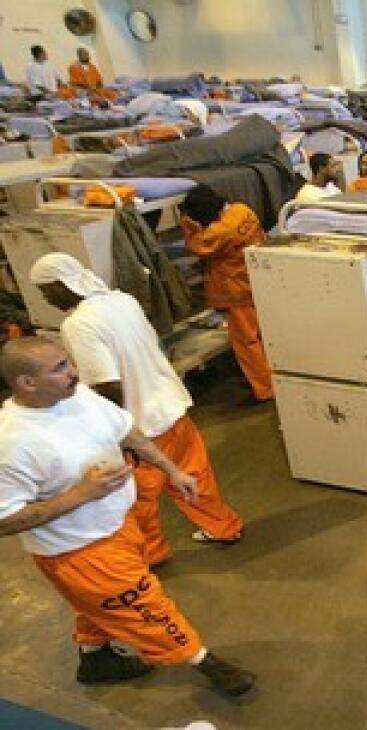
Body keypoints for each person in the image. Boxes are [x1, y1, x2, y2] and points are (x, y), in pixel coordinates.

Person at [0, 337, 255, 696]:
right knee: (146, 606)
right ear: (27, 383)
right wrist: (82, 493)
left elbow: (128, 432)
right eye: (59, 368)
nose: (73, 372)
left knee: (96, 604)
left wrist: (172, 470)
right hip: (80, 551)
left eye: (69, 362)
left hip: (119, 525)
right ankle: (206, 663)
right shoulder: (12, 442)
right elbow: (6, 519)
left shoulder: (76, 396)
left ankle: (95, 659)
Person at [30, 252, 244, 565]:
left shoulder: (79, 324)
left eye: (46, 291)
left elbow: (107, 385)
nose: (46, 299)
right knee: (192, 473)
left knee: (138, 498)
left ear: (62, 285)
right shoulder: (122, 300)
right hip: (171, 404)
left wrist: (114, 435)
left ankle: (151, 554)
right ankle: (223, 527)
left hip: (140, 422)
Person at [178, 185, 274, 405]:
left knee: (247, 342)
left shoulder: (217, 233)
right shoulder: (242, 210)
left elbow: (197, 246)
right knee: (263, 336)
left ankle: (265, 388)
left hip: (237, 290)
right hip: (255, 280)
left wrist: (187, 224)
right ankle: (269, 378)